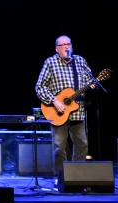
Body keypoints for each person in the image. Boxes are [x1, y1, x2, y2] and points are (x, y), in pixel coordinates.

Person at [35, 35, 95, 179]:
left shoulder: (79, 61)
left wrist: (92, 84)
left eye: (69, 44)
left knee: (82, 144)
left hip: (78, 111)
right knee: (59, 148)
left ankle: (76, 177)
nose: (67, 47)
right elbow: (40, 87)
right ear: (57, 49)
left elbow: (89, 79)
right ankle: (61, 178)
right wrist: (54, 101)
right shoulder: (50, 62)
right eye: (63, 45)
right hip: (58, 113)